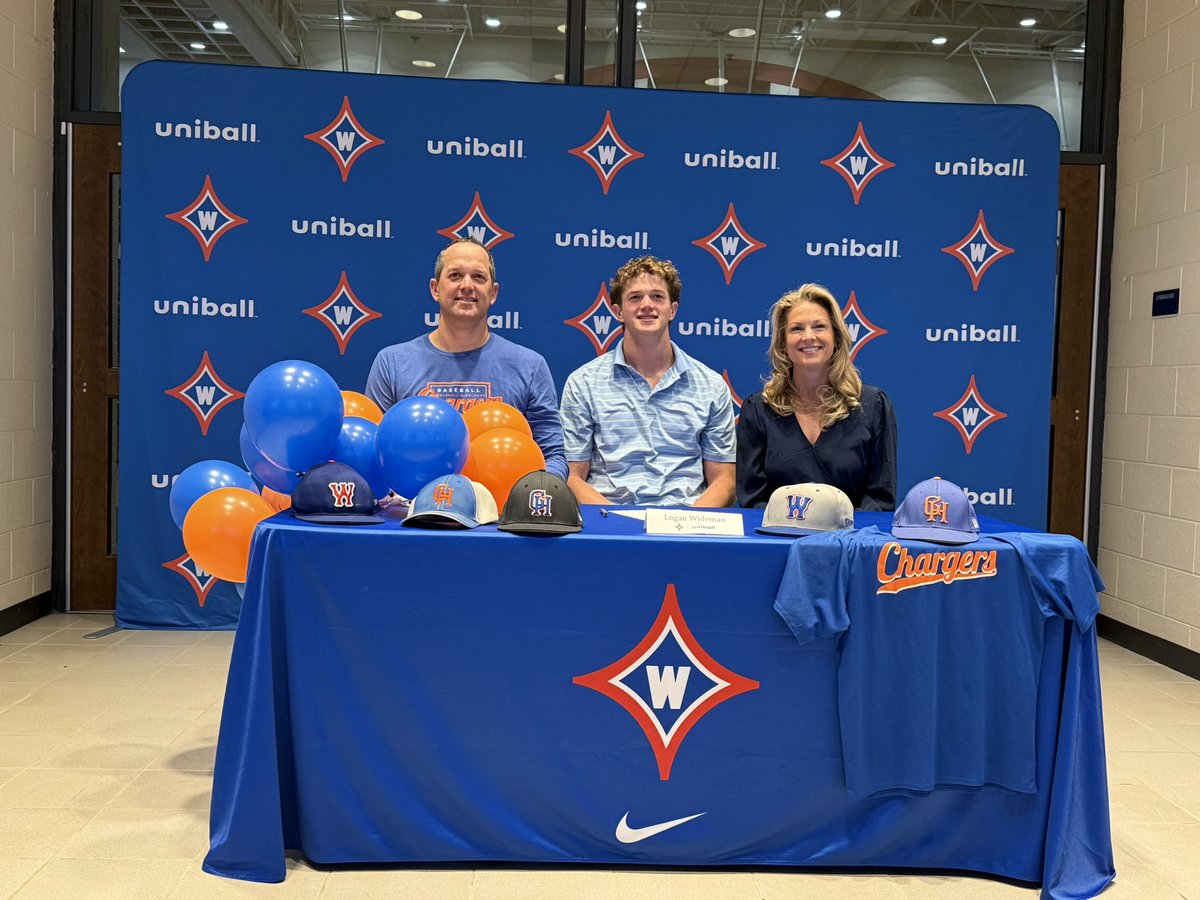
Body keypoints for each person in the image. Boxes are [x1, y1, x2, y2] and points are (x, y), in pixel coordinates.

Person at [365, 237, 568, 482]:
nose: (467, 286)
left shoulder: (530, 366)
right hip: (415, 513)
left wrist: (534, 492)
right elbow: (374, 451)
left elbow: (553, 455)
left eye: (479, 277)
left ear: (493, 293)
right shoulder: (392, 363)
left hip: (503, 513)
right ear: (435, 289)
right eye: (455, 275)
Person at [559, 256, 736, 506]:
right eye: (635, 297)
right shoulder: (583, 383)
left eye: (657, 297)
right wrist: (617, 524)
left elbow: (724, 482)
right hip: (609, 523)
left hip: (686, 526)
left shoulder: (711, 386)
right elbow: (572, 477)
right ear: (618, 312)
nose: (646, 305)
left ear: (672, 310)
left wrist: (686, 525)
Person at [736, 284, 896, 510]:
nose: (808, 337)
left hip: (851, 540)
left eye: (819, 327)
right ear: (783, 343)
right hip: (778, 539)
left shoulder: (873, 405)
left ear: (837, 337)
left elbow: (879, 498)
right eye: (797, 329)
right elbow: (753, 499)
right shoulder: (759, 409)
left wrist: (838, 535)